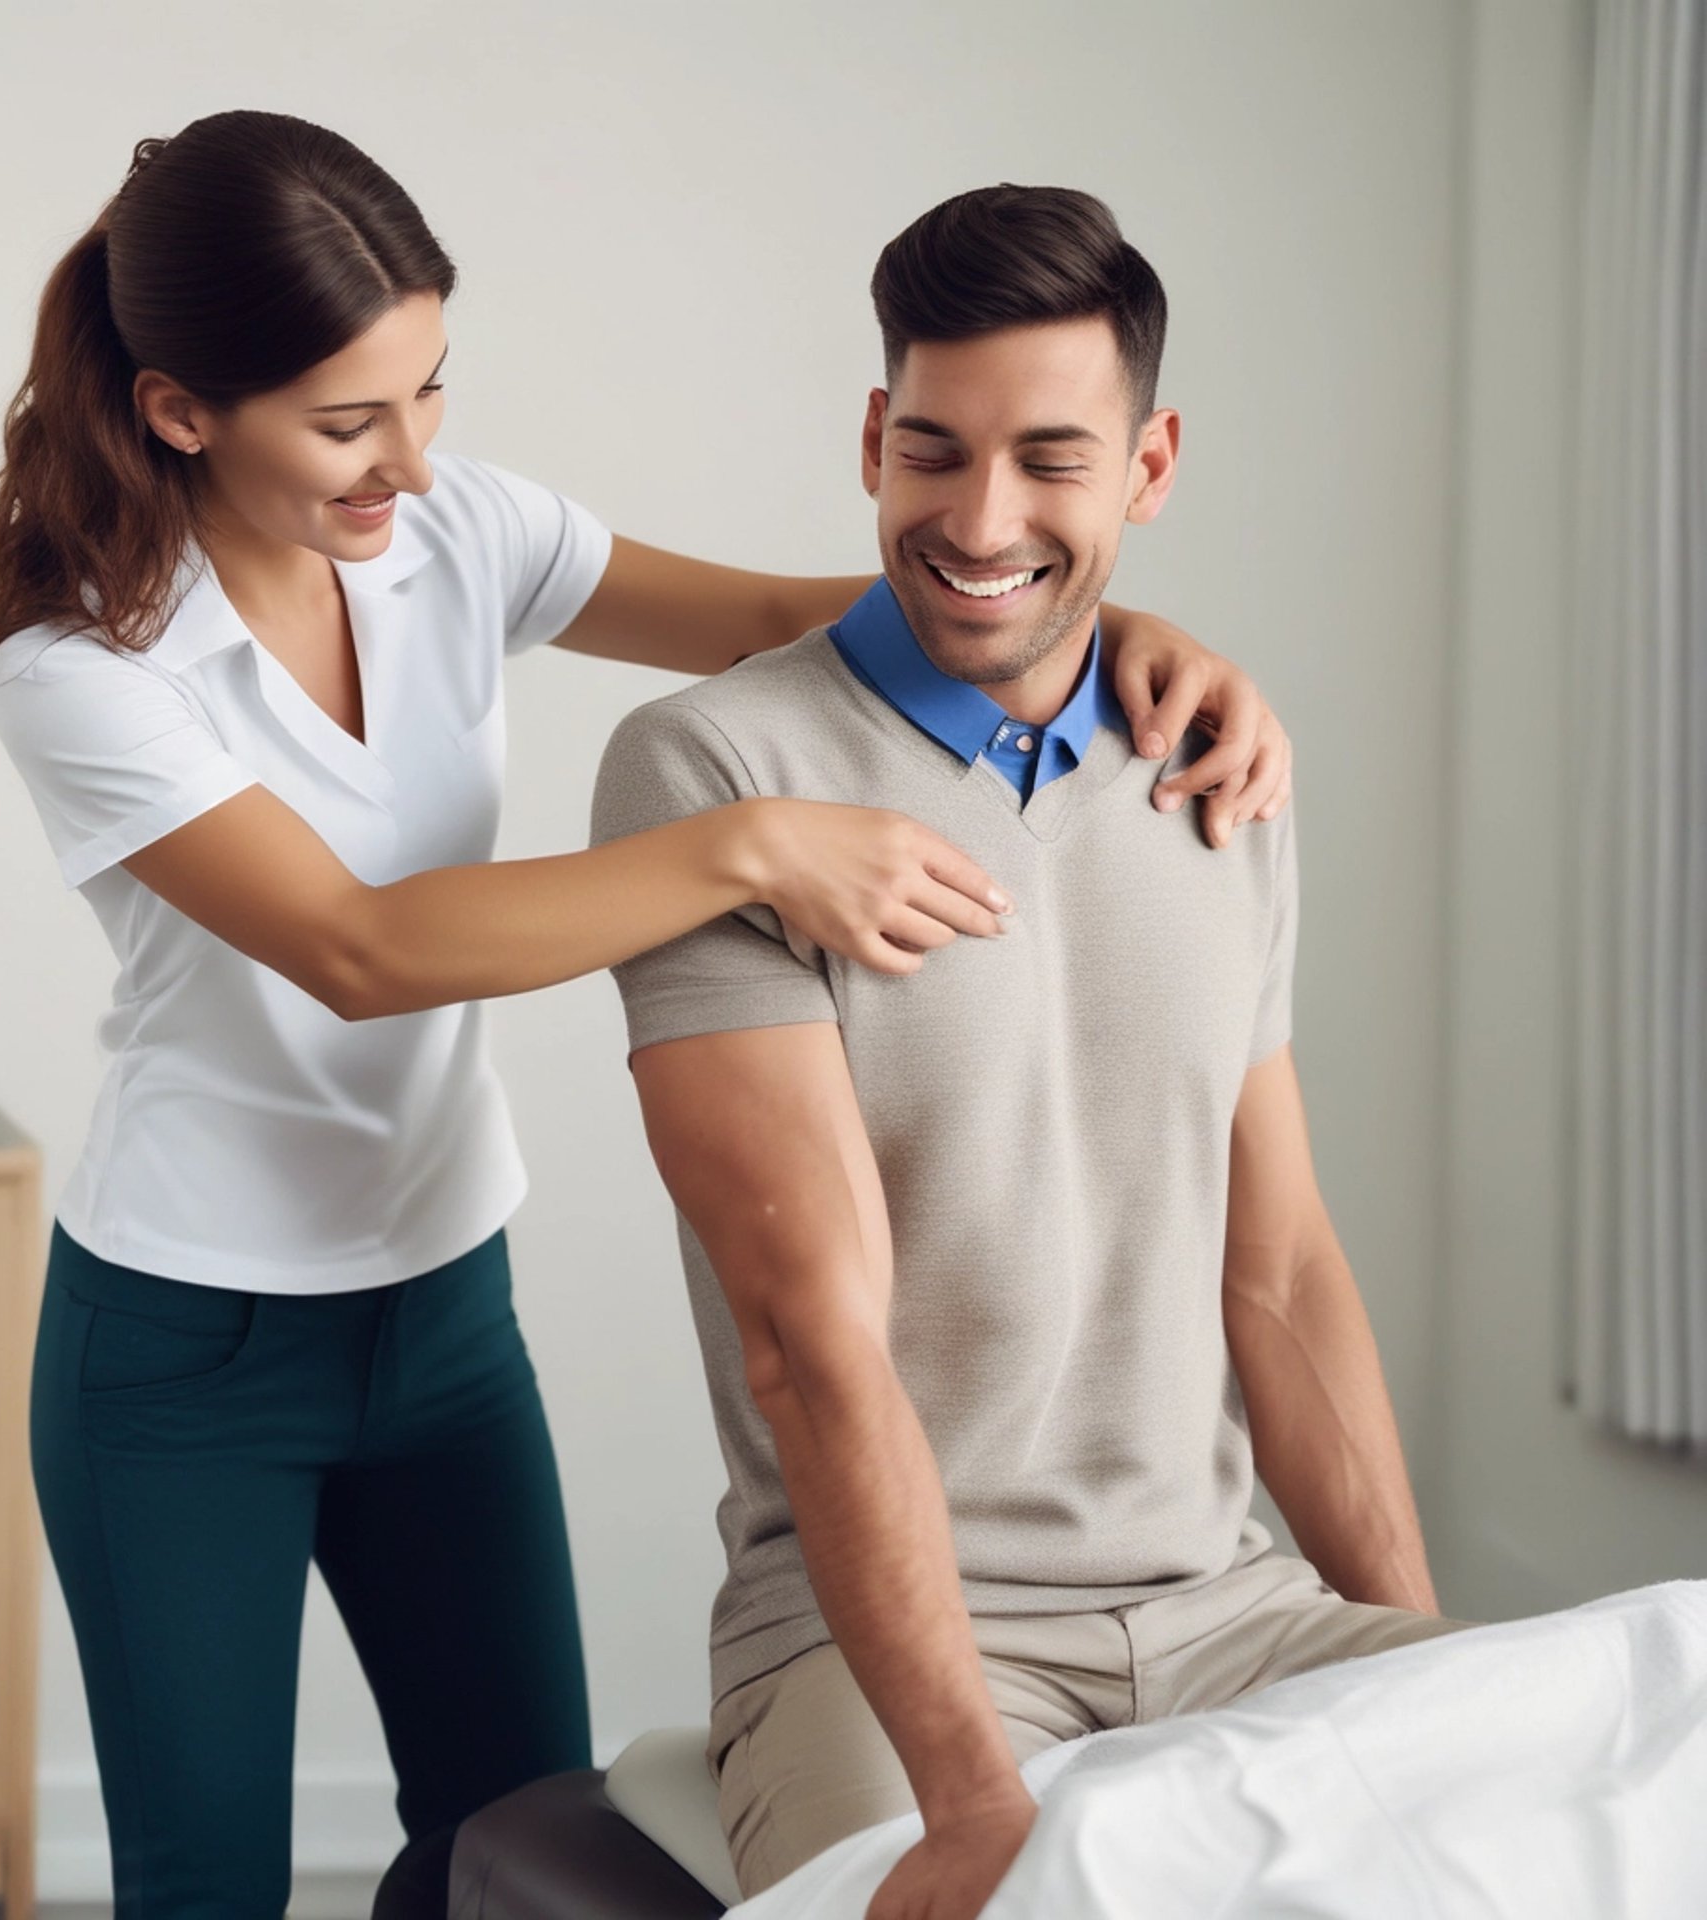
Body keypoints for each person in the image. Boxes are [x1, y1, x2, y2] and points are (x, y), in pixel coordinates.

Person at [0, 112, 1291, 1920]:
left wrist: (1116, 632)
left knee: (509, 1845)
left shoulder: (453, 532)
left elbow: (780, 616)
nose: (412, 464)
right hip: (185, 1353)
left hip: (439, 1314)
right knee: (203, 1884)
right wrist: (742, 844)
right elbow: (362, 945)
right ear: (184, 408)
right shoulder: (84, 668)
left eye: (429, 392)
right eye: (350, 422)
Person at [591, 183, 1474, 1920]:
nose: (981, 515)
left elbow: (1279, 1276)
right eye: (934, 451)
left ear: (1148, 469)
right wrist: (973, 1796)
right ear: (872, 440)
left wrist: (1416, 1672)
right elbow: (806, 1344)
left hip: (1234, 1606)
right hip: (896, 1648)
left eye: (1051, 460)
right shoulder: (713, 771)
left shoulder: (1216, 768)